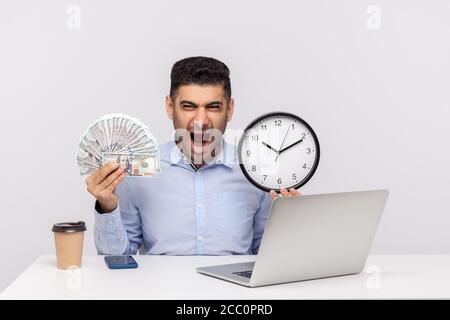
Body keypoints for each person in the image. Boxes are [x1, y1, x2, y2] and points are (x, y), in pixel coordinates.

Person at [86, 56, 300, 255]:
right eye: (188, 106)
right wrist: (107, 206)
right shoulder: (138, 171)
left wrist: (290, 223)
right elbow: (117, 259)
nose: (201, 121)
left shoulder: (256, 173)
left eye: (213, 107)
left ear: (230, 109)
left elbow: (268, 257)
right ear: (170, 107)